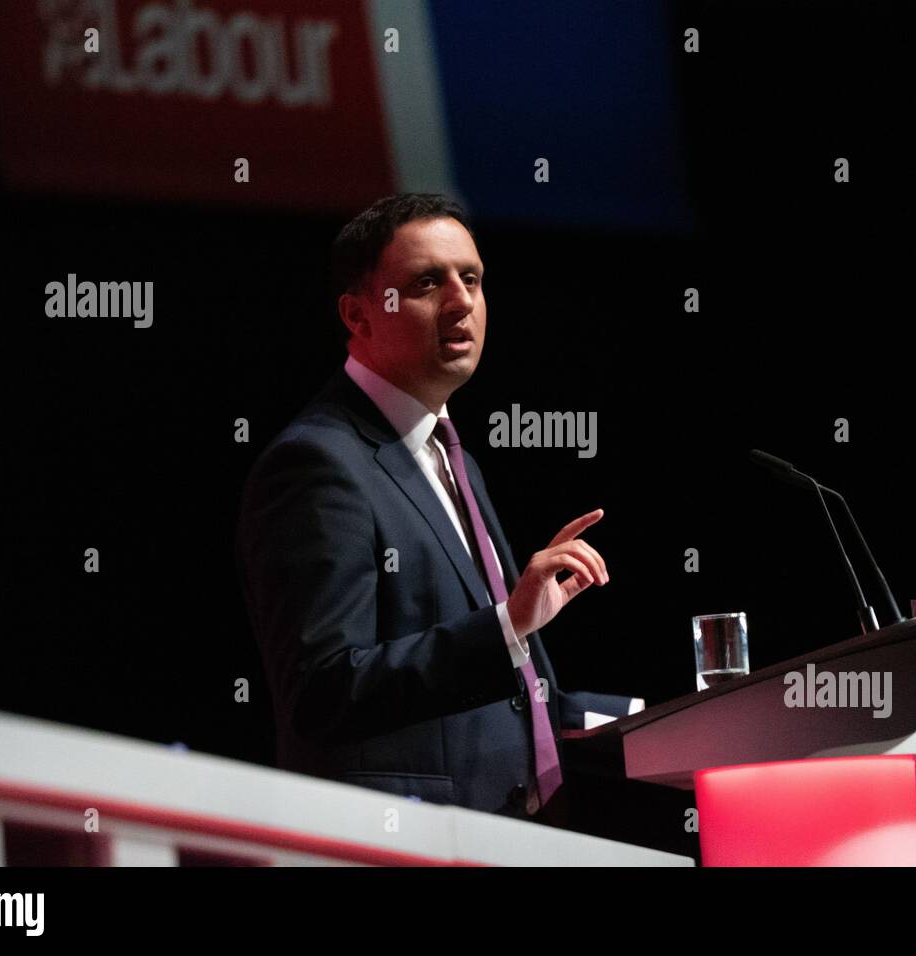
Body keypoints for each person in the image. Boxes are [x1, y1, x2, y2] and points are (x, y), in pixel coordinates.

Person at [236, 193, 643, 824]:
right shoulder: (317, 464)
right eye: (427, 282)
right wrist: (507, 627)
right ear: (358, 314)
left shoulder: (451, 457)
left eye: (472, 279)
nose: (461, 301)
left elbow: (505, 705)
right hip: (401, 840)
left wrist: (657, 722)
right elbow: (323, 692)